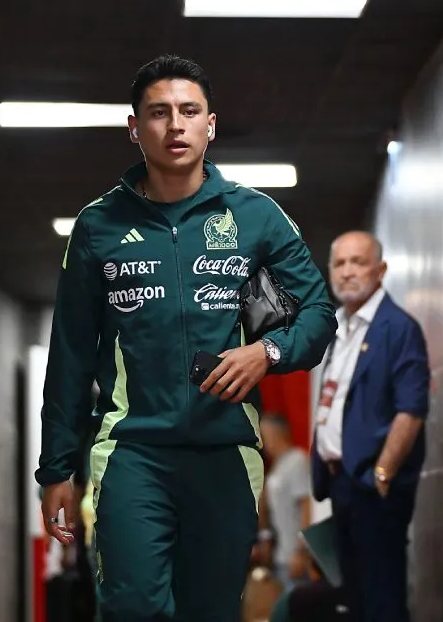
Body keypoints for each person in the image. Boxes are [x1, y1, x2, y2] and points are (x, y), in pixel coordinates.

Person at [36, 54, 337, 621]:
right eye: (159, 113)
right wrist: (56, 471)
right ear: (134, 128)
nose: (175, 124)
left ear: (210, 124)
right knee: (134, 608)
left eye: (188, 111)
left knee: (210, 612)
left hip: (225, 453)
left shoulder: (257, 218)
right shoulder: (98, 226)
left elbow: (319, 315)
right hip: (132, 453)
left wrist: (267, 352)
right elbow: (70, 355)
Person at [310, 231, 430, 622]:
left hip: (374, 487)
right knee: (355, 601)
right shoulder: (339, 330)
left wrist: (382, 474)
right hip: (341, 484)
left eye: (357, 262)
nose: (347, 272)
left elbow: (410, 410)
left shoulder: (398, 328)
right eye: (340, 263)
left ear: (380, 270)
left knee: (382, 601)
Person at [258, 413, 312, 589]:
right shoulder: (277, 466)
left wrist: (300, 550)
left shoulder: (297, 460)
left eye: (263, 435)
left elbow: (306, 506)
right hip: (281, 553)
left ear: (276, 433)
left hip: (294, 553)